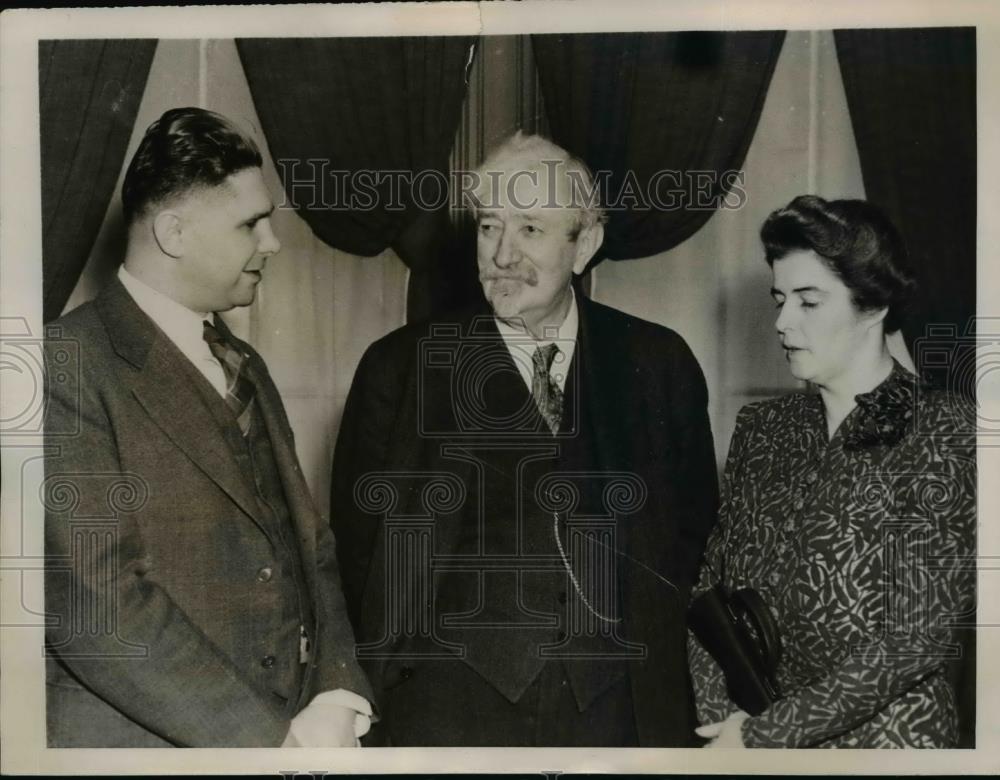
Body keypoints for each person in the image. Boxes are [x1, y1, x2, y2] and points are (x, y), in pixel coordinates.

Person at [330, 132, 718, 746]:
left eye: (531, 229)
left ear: (584, 245)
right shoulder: (399, 368)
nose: (503, 255)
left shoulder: (657, 362)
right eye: (490, 227)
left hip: (618, 709)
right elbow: (360, 552)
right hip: (447, 711)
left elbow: (690, 533)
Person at [44, 107, 373, 747]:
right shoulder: (63, 366)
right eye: (251, 223)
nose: (272, 243)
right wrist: (271, 745)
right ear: (174, 233)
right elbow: (99, 606)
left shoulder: (242, 360)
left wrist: (337, 690)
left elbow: (311, 546)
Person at [688, 195, 976, 748]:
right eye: (780, 299)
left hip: (888, 744)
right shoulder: (763, 428)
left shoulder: (946, 429)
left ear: (874, 305)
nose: (782, 322)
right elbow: (710, 590)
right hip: (748, 734)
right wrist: (720, 719)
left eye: (809, 301)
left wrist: (763, 737)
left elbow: (914, 640)